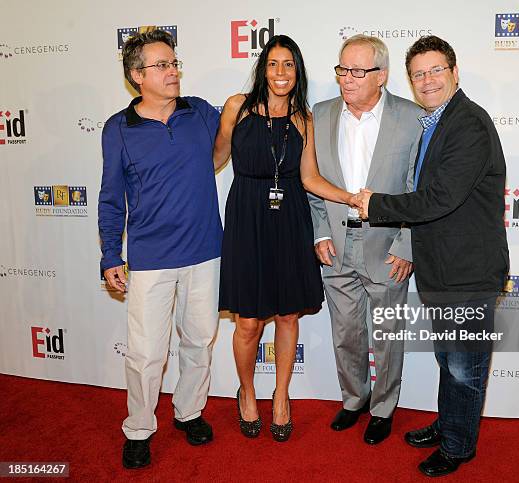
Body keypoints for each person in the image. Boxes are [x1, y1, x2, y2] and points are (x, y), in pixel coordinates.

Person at [356, 35, 509, 476]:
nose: (427, 80)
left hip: (468, 272)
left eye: (436, 70)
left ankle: (459, 446)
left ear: (454, 72)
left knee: (464, 367)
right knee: (448, 359)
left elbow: (439, 198)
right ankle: (449, 423)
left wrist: (376, 204)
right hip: (442, 268)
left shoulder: (468, 124)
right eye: (419, 73)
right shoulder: (438, 122)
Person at [214, 35, 355, 442]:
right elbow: (215, 158)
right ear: (263, 68)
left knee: (288, 315)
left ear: (299, 71)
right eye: (273, 64)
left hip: (290, 219)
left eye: (289, 65)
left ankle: (281, 396)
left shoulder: (304, 119)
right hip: (247, 219)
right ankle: (246, 391)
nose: (281, 73)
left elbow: (309, 178)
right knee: (248, 321)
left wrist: (349, 198)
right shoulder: (236, 108)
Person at [98, 29, 222, 469]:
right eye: (162, 65)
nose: (173, 71)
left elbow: (228, 144)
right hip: (150, 261)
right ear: (137, 75)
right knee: (147, 353)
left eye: (174, 63)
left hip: (206, 252)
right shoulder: (118, 128)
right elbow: (111, 196)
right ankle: (139, 428)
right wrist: (111, 254)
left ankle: (189, 412)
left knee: (199, 341)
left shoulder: (202, 113)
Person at [308, 34, 422, 445]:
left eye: (358, 71)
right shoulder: (319, 115)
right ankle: (354, 399)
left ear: (383, 75)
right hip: (337, 245)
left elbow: (417, 188)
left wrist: (406, 244)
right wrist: (320, 230)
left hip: (388, 246)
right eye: (342, 70)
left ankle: (384, 408)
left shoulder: (412, 118)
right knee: (346, 332)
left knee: (387, 335)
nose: (347, 79)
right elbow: (314, 184)